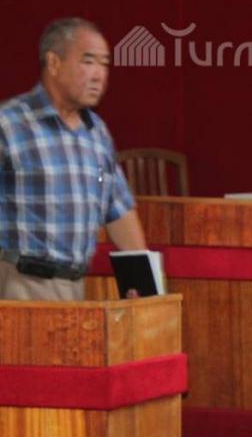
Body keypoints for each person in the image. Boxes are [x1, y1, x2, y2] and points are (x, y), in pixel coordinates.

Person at [0, 18, 146, 301]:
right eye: (88, 61)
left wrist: (143, 280)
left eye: (105, 64)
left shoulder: (97, 133)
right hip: (19, 285)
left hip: (75, 288)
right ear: (54, 63)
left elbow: (118, 210)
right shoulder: (9, 124)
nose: (99, 75)